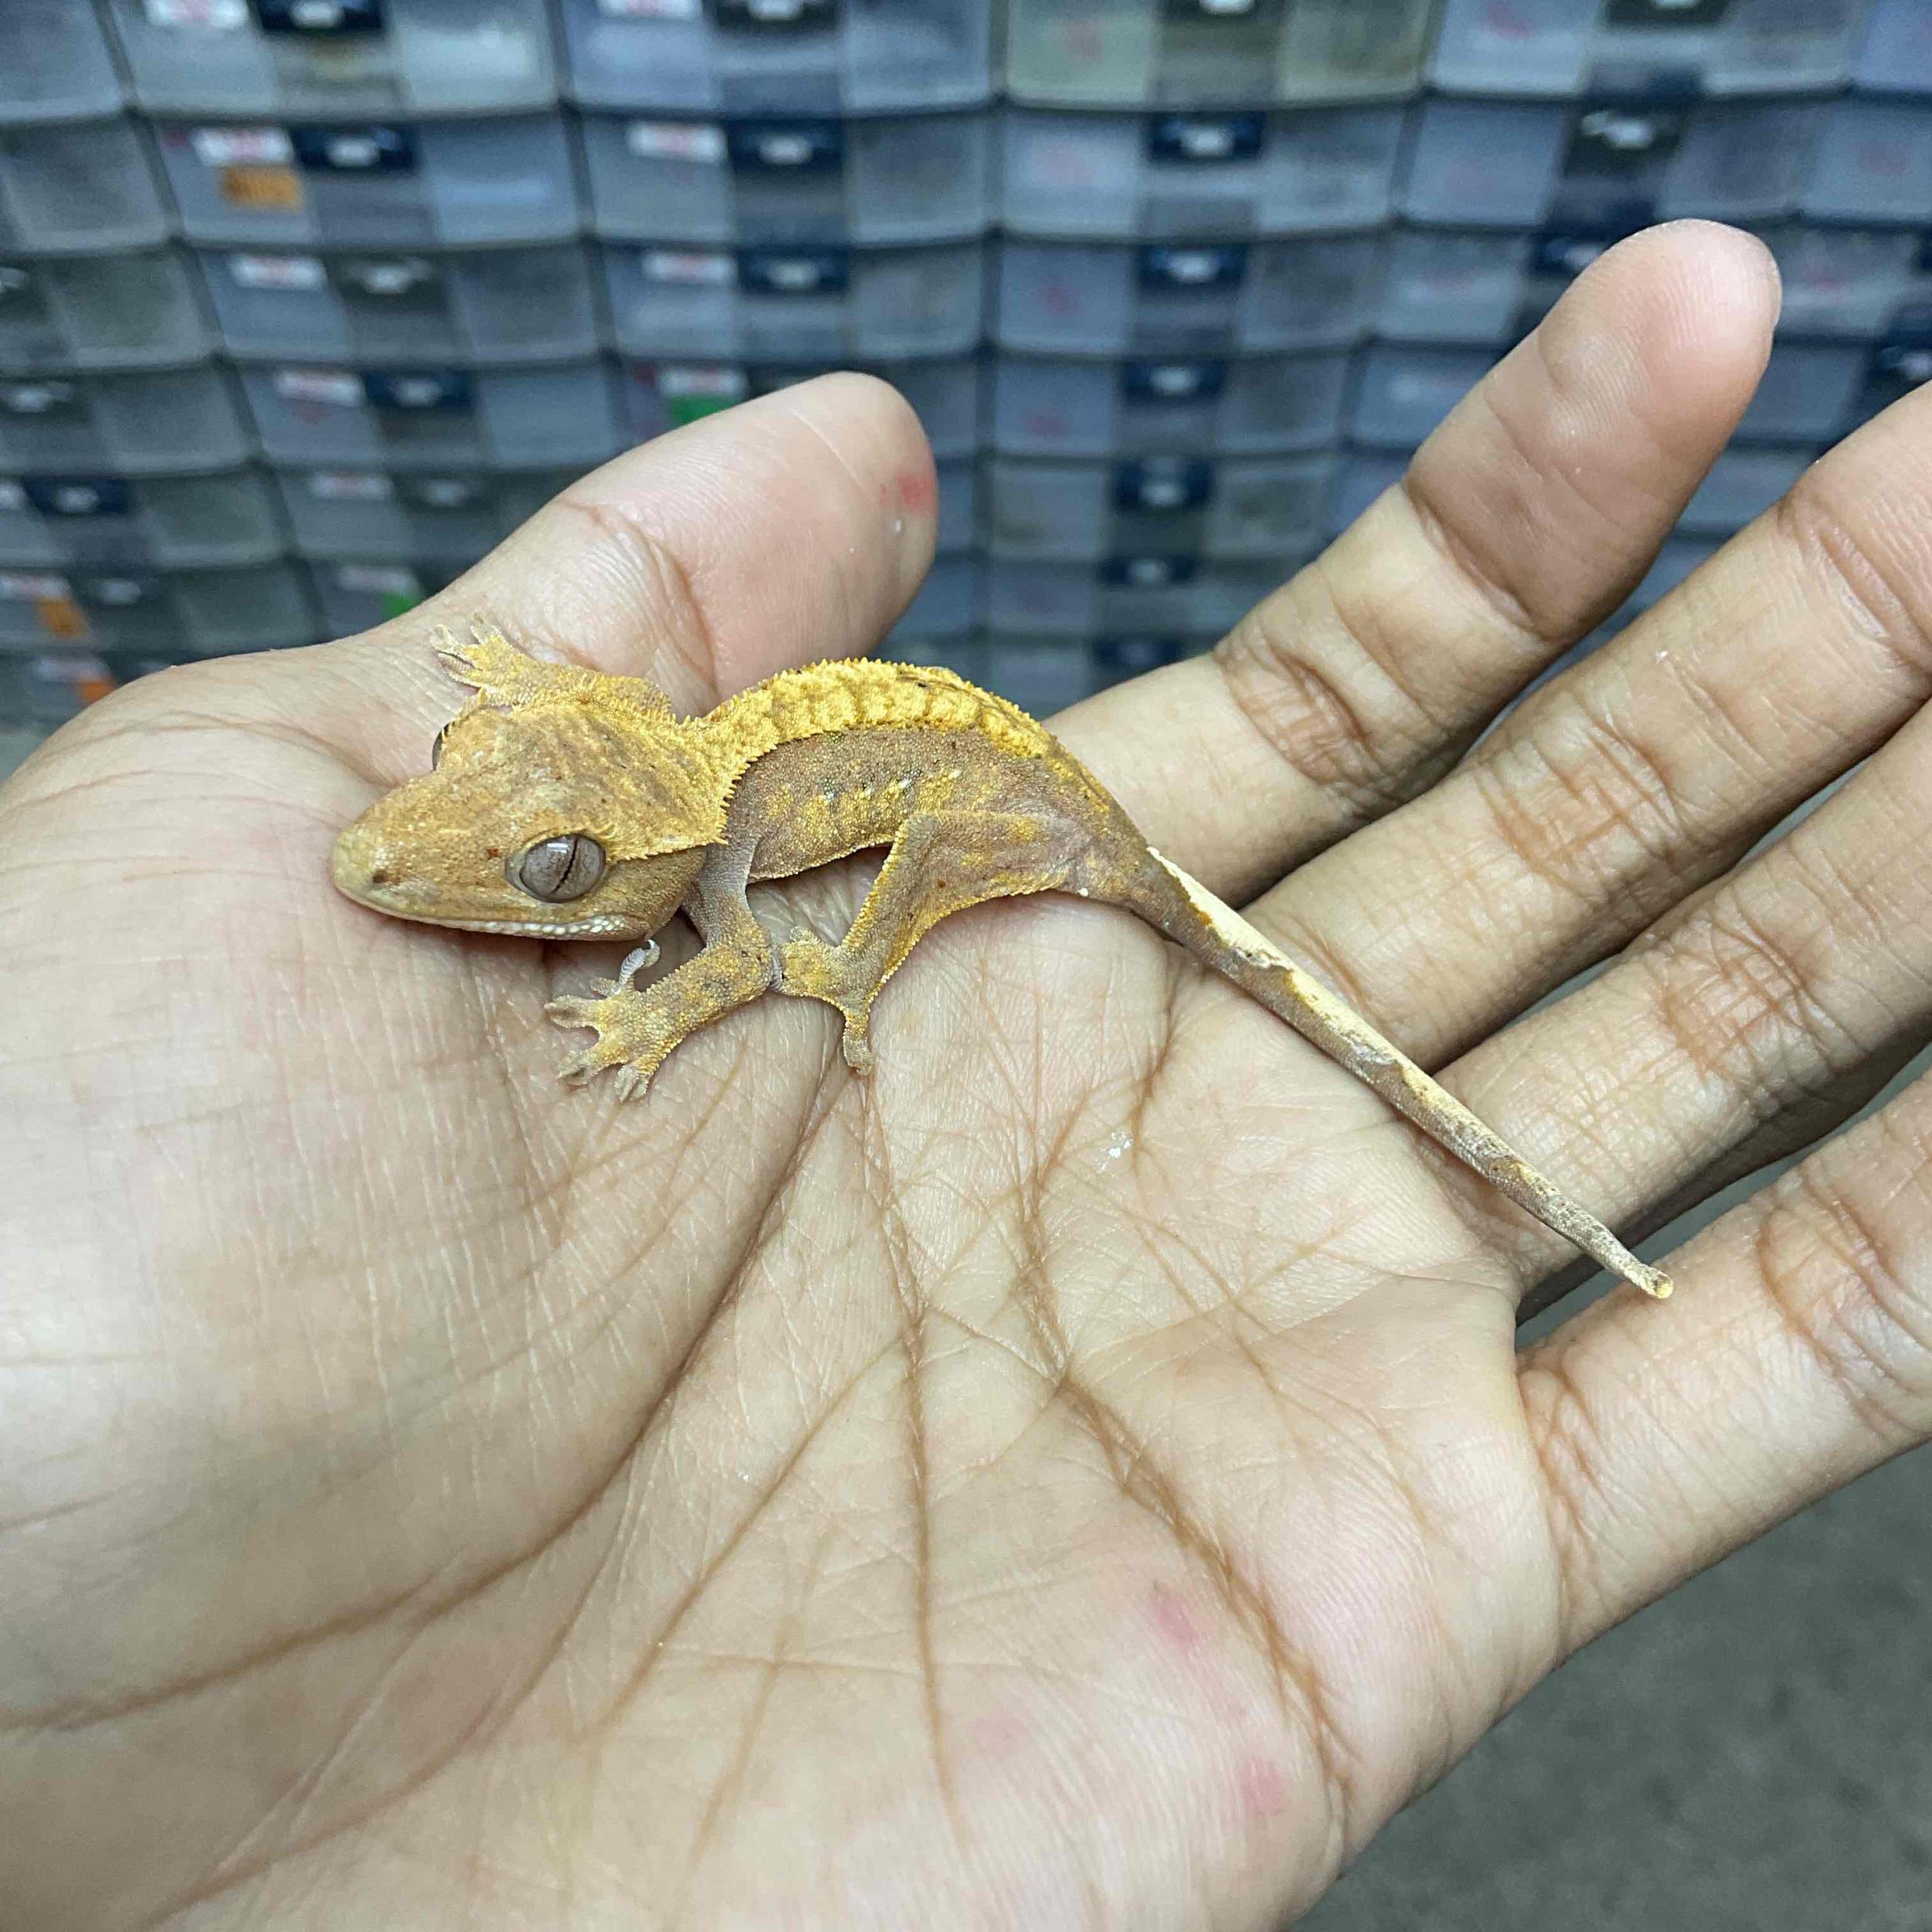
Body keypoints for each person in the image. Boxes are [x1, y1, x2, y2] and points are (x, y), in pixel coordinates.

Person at [3, 220, 1927, 1927]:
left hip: (1025, 814)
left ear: (641, 858)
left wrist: (718, 994)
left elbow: (746, 948)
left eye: (560, 876)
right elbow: (595, 738)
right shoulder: (666, 784)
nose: (509, 887)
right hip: (939, 772)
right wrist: (523, 728)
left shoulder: (715, 859)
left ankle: (1470, 1159)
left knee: (919, 895)